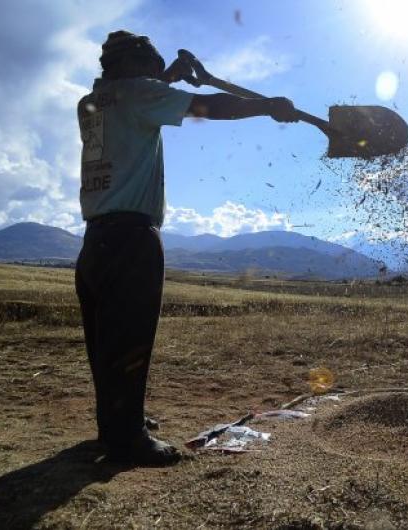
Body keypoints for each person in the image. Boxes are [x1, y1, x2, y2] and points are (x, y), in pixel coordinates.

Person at [76, 30, 299, 466]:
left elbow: (138, 94)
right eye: (150, 69)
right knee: (132, 337)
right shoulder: (142, 92)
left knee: (105, 337)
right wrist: (267, 106)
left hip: (96, 238)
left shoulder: (92, 101)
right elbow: (208, 106)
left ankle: (114, 422)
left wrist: (169, 77)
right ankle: (127, 441)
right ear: (138, 68)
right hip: (133, 237)